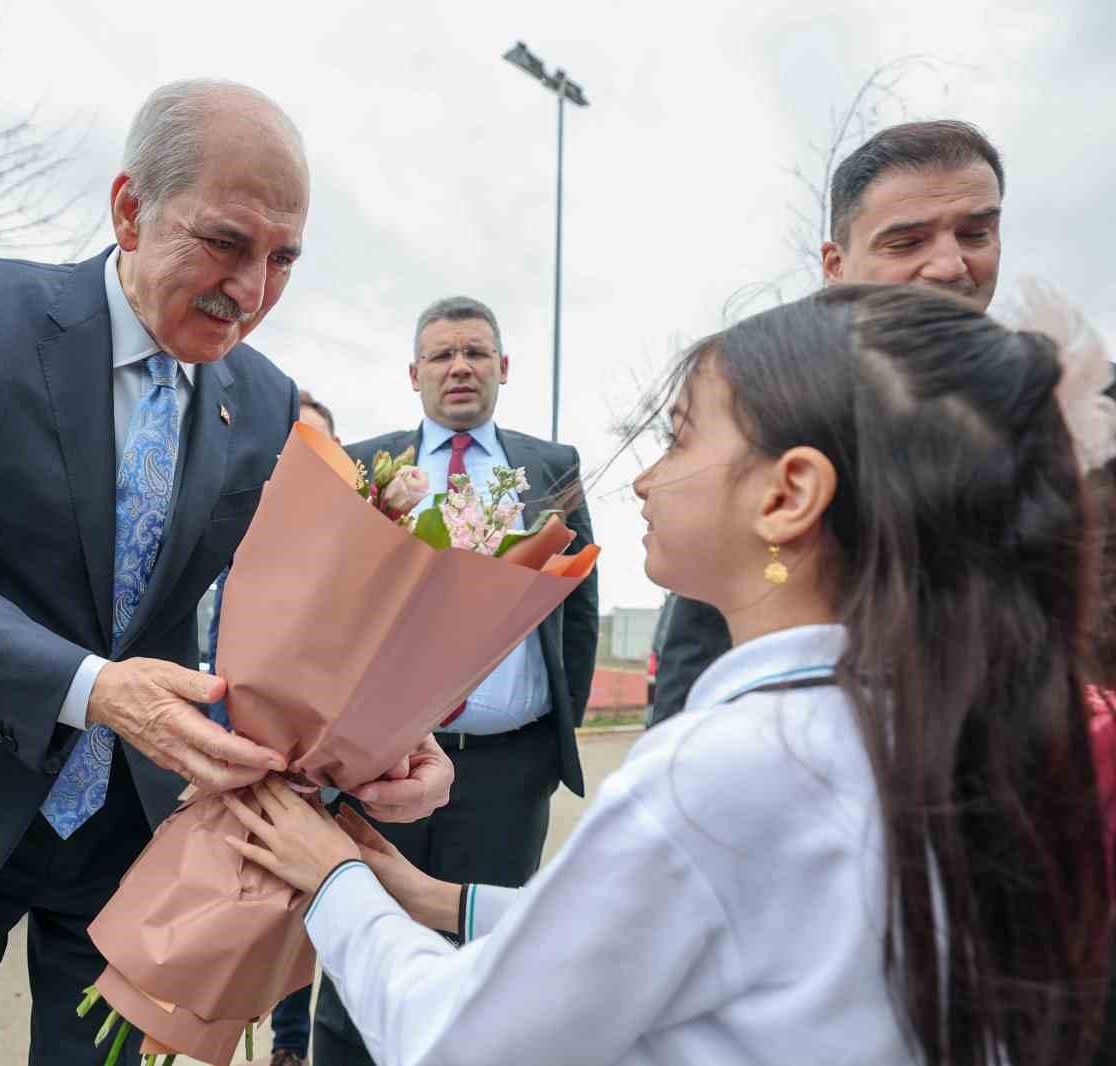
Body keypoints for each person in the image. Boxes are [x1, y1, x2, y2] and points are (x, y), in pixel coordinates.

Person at [223, 285, 1113, 1066]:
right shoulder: (913, 721)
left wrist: (335, 882)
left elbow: (455, 1038)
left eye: (680, 439)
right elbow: (679, 932)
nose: (645, 480)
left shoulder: (719, 771)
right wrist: (438, 902)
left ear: (786, 494)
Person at [0, 79, 453, 1066]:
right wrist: (96, 690)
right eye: (225, 242)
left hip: (128, 839)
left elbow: (292, 625)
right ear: (128, 209)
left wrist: (383, 739)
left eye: (282, 259)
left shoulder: (268, 397)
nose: (251, 290)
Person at [309, 295, 598, 1065]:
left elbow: (578, 609)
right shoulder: (370, 464)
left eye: (475, 352)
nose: (460, 367)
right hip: (383, 762)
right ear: (414, 375)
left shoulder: (551, 466)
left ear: (504, 368)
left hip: (509, 770)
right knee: (359, 953)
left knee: (485, 963)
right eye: (442, 355)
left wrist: (549, 738)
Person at [649, 118, 1006, 726]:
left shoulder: (1075, 405)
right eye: (907, 242)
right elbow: (704, 629)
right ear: (836, 264)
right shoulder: (776, 402)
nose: (949, 266)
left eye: (975, 233)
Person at [203, 387, 340, 1066]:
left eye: (312, 450)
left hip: (307, 779)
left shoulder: (350, 562)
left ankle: (289, 1044)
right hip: (205, 765)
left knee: (295, 915)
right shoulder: (220, 542)